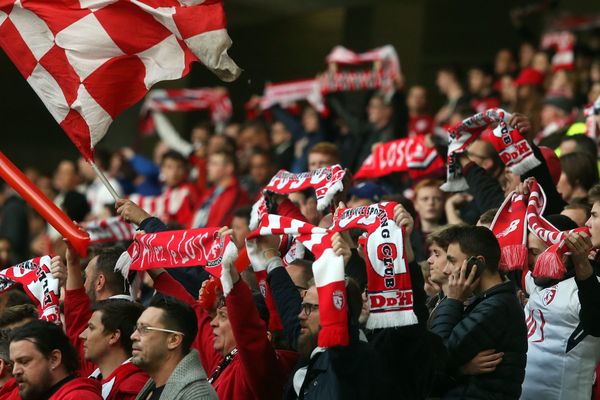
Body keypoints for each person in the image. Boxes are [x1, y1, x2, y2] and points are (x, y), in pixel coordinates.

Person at [520, 184, 600, 400]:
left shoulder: (590, 281)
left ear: (562, 255)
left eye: (594, 216)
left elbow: (595, 322)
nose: (586, 224)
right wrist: (521, 202)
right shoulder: (537, 280)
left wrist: (582, 264)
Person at [430, 225, 527, 399]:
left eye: (452, 261)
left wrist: (453, 300)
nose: (446, 270)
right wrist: (462, 369)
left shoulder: (496, 307)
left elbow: (436, 353)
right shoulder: (488, 300)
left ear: (478, 263)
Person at [131, 296, 217, 400]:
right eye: (136, 328)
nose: (133, 336)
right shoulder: (152, 388)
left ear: (174, 340)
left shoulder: (198, 396)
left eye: (144, 329)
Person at [9, 320, 102, 400]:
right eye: (13, 364)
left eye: (24, 361)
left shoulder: (79, 397)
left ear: (54, 359)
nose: (15, 371)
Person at [80, 300, 148, 400]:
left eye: (91, 328)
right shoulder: (92, 380)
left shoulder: (132, 389)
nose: (81, 335)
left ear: (113, 336)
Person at [191, 150, 249, 228]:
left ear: (229, 168)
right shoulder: (209, 192)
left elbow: (219, 226)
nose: (208, 167)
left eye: (214, 164)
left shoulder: (236, 194)